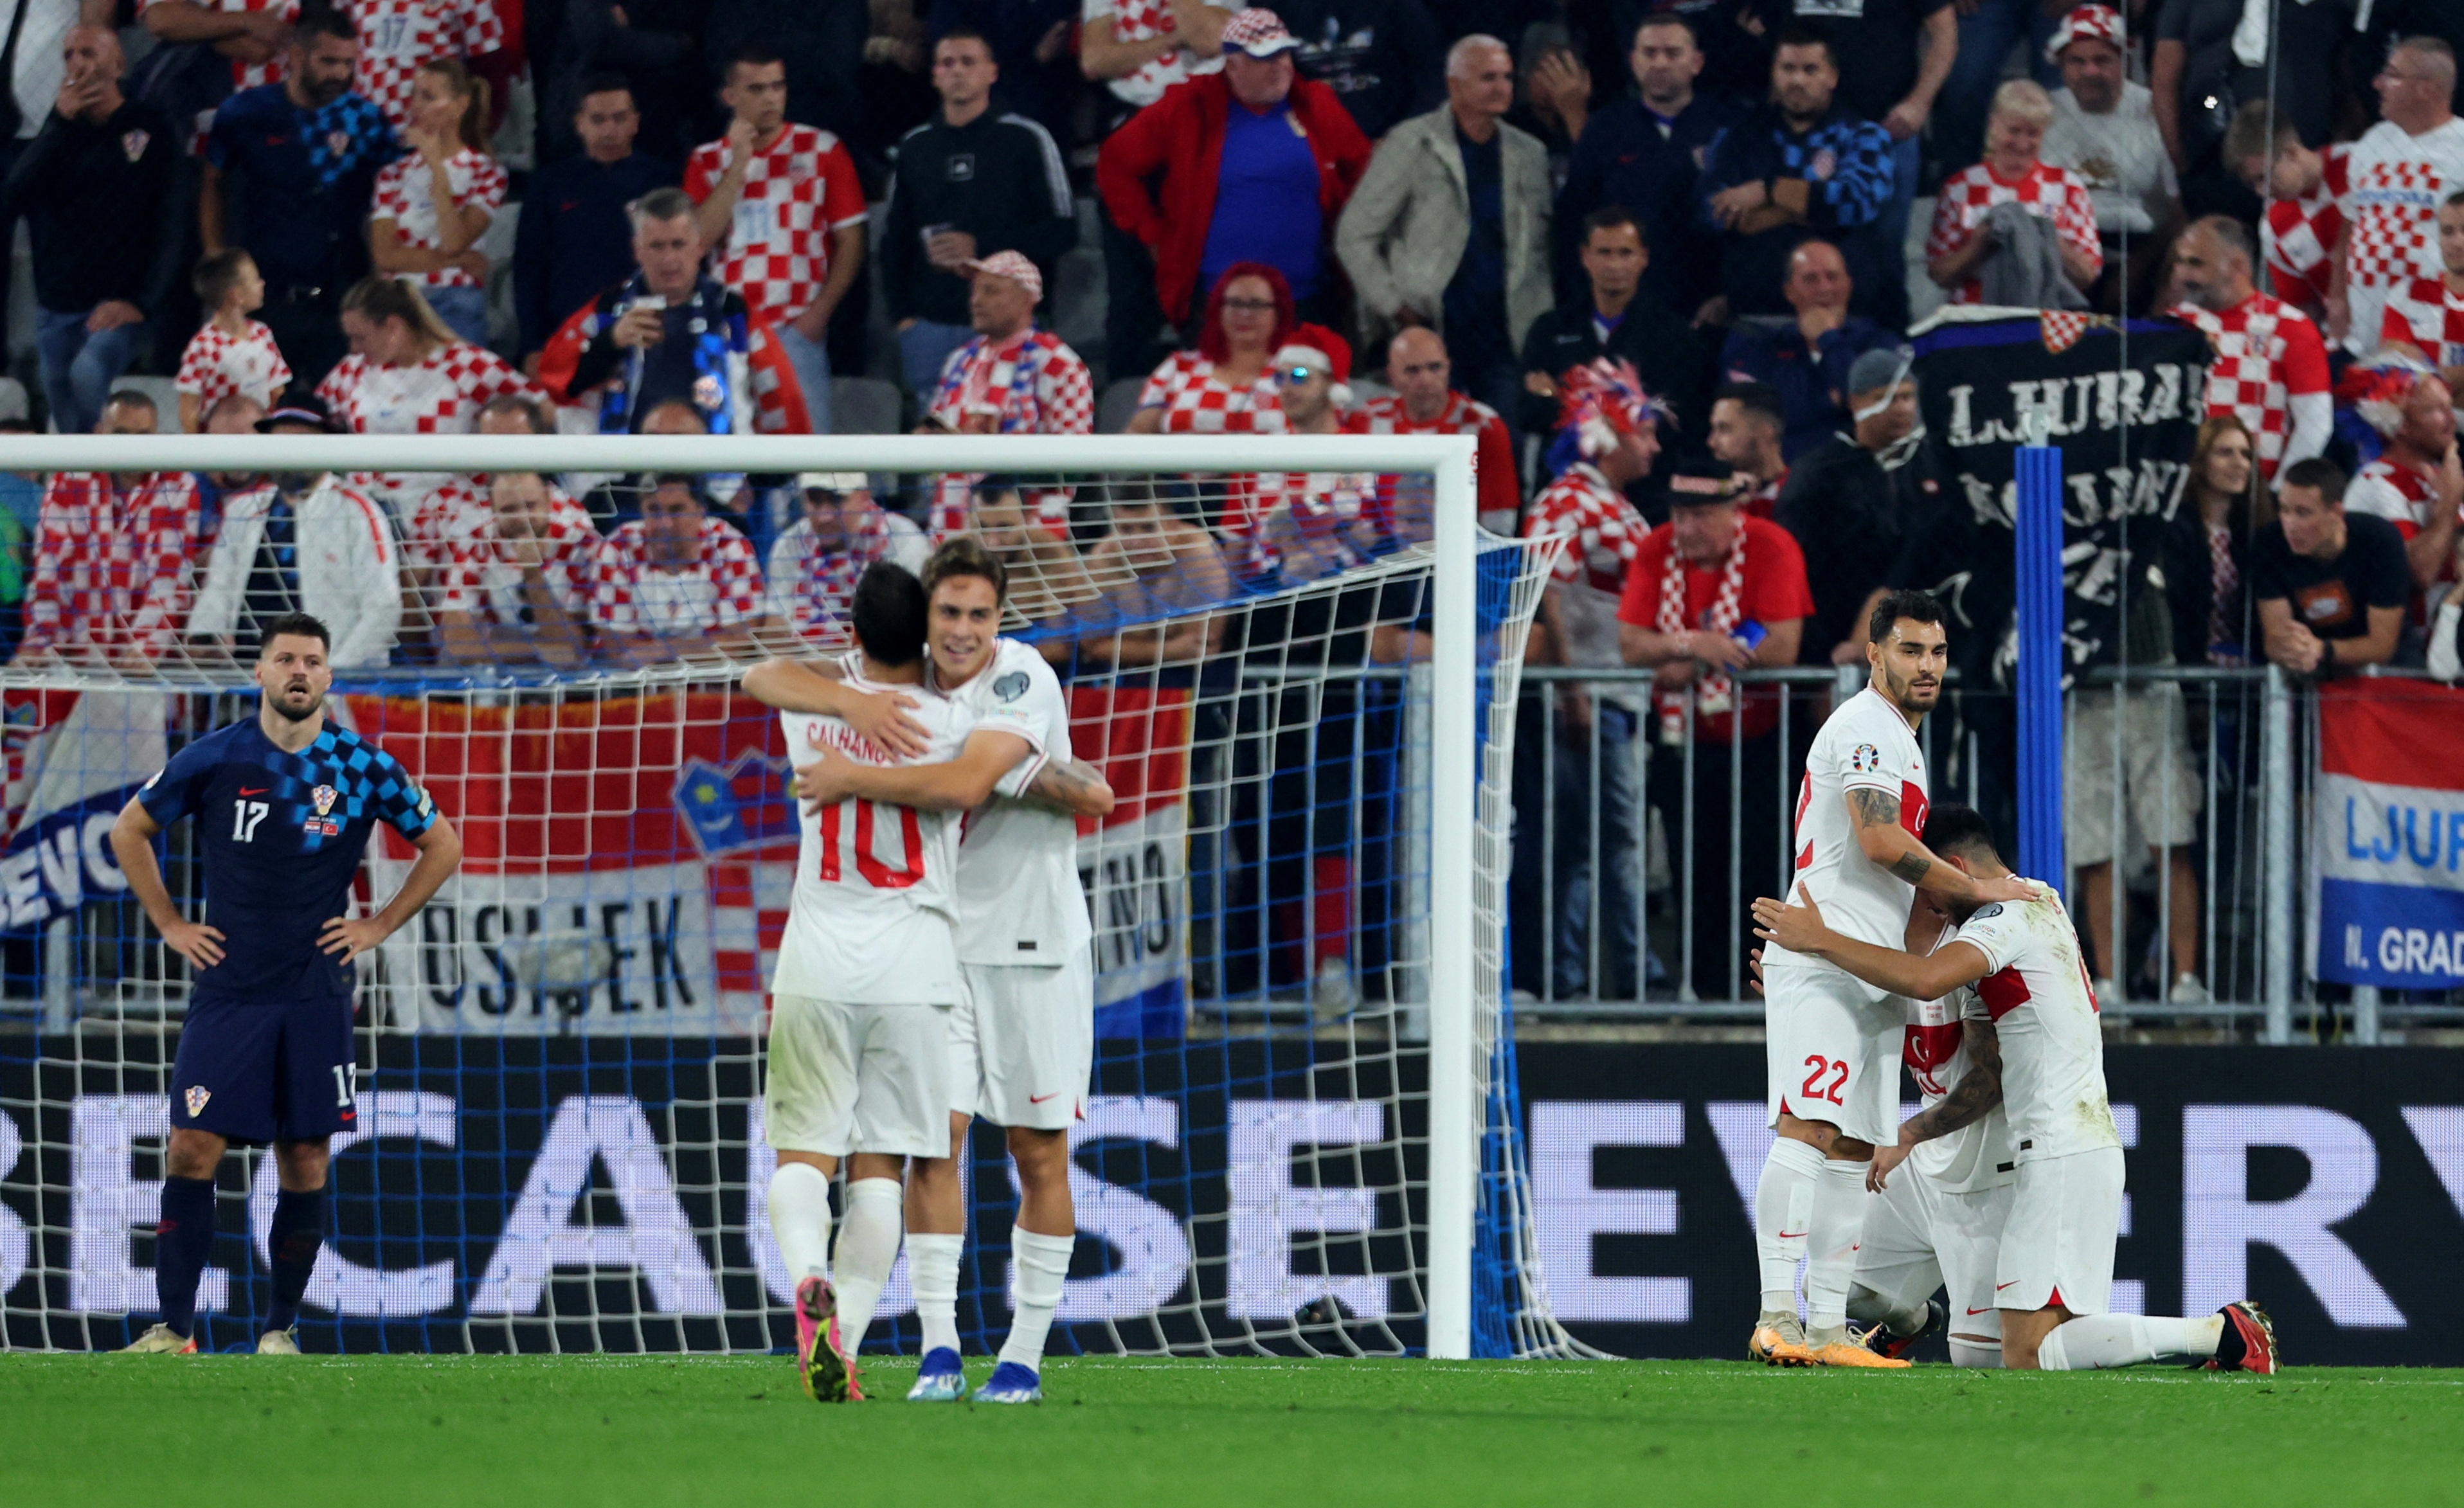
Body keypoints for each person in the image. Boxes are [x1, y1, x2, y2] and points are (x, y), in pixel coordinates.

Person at [750, 539, 1116, 1405]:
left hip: (1030, 943)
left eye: (977, 615)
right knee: (930, 1146)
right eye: (946, 613)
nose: (960, 631)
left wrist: (849, 765)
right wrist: (852, 702)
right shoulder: (905, 688)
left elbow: (967, 782)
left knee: (1036, 1150)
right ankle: (940, 1348)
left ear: (1001, 619)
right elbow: (773, 671)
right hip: (934, 947)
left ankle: (1022, 1356)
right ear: (923, 618)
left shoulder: (1021, 680)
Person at [1752, 803, 2281, 1375]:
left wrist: (1820, 942)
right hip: (2047, 1145)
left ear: (1952, 867)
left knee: (2019, 1355)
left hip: (2056, 1145)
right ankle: (2220, 1335)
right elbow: (1917, 996)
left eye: (1929, 887)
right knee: (2017, 1350)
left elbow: (1931, 988)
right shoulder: (2025, 905)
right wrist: (1819, 998)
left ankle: (2222, 1333)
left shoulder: (2006, 915)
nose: (1928, 903)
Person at [107, 611, 463, 1355]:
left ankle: (279, 1331)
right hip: (229, 990)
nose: (299, 671)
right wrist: (171, 923)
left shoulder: (362, 766)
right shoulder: (216, 757)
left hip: (316, 993)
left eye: (312, 661)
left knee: (304, 1156)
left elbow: (441, 843)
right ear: (261, 673)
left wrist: (376, 926)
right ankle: (174, 1329)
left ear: (329, 676)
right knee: (191, 1145)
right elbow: (128, 830)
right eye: (285, 659)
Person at [1742, 592, 2038, 1368]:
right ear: (1873, 654)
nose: (1927, 667)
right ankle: (1776, 1312)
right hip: (1828, 957)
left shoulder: (1900, 742)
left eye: (1937, 653)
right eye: (1910, 651)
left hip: (1864, 970)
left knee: (1850, 1147)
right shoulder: (1866, 729)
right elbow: (1877, 842)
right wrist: (1978, 889)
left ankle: (1830, 1326)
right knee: (1806, 1128)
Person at [737, 563, 973, 1403]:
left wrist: (846, 700)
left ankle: (808, 1276)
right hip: (912, 967)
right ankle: (841, 1343)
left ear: (852, 631)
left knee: (804, 1152)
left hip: (817, 961)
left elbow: (755, 672)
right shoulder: (951, 720)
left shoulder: (816, 708)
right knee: (880, 1168)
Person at [1617, 459, 1812, 1003]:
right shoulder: (1656, 549)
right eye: (1680, 514)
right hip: (1684, 743)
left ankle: (1765, 992)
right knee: (1691, 869)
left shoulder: (1771, 546)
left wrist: (1690, 655)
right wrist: (1695, 645)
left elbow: (1780, 645)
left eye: (1701, 515)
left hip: (1760, 743)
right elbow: (1632, 645)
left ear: (1733, 513)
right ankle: (1703, 991)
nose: (1686, 528)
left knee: (1761, 866)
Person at [1509, 359, 1657, 999]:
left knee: (1589, 842)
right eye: (1645, 432)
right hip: (1588, 698)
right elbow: (1547, 592)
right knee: (1600, 840)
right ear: (1611, 437)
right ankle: (1626, 974)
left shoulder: (1608, 503)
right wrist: (1569, 687)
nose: (1653, 444)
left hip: (1614, 694)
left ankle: (1575, 974)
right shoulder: (1568, 498)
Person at [1096, 8, 1374, 339]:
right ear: (1233, 64)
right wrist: (1154, 236)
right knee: (1227, 390)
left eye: (1284, 53)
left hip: (1306, 304)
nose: (1280, 66)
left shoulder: (1315, 103)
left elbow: (1365, 174)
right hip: (1216, 310)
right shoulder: (1189, 107)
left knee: (1302, 384)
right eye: (1264, 58)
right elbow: (1114, 162)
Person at [1831, 870, 2014, 1367]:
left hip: (1986, 1172)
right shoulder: (1880, 952)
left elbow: (1991, 1079)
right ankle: (1911, 1322)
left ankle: (2211, 1335)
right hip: (1927, 1164)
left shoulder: (1967, 952)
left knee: (1980, 1359)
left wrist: (1906, 1134)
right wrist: (1801, 1006)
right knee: (1832, 1288)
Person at [1333, 34, 1551, 419]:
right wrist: (1396, 309)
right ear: (1454, 85)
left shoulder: (1530, 153)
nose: (1501, 88)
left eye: (1507, 77)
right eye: (1488, 78)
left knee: (1503, 449)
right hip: (1430, 333)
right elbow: (1354, 235)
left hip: (1507, 335)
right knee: (1422, 451)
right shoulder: (1411, 143)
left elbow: (1541, 247)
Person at [879, 30, 1076, 408]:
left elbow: (1063, 230)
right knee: (938, 452)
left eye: (969, 62)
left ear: (992, 72)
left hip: (1010, 323)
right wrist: (903, 318)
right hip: (930, 325)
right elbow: (894, 242)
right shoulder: (915, 147)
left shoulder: (1027, 138)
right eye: (947, 63)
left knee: (1013, 440)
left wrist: (982, 247)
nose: (957, 71)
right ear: (934, 75)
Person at [201, 11, 396, 389]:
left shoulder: (368, 121)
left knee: (342, 421)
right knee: (260, 419)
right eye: (328, 61)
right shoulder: (244, 113)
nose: (340, 73)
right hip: (265, 298)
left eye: (348, 63)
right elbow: (212, 184)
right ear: (294, 58)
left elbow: (385, 205)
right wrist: (215, 260)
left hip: (342, 301)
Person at [686, 47, 870, 435]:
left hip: (794, 326)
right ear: (730, 96)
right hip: (727, 328)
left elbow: (851, 243)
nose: (770, 98)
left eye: (777, 86)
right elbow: (697, 242)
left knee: (807, 457)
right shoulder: (706, 160)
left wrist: (819, 314)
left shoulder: (822, 149)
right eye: (756, 89)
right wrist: (738, 164)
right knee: (726, 450)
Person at [8, 24, 177, 438]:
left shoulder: (150, 127)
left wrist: (141, 301)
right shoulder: (58, 134)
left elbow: (171, 223)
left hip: (118, 304)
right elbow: (12, 195)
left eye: (88, 52)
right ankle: (86, 487)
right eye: (68, 56)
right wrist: (57, 123)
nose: (77, 63)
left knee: (87, 374)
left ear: (119, 63)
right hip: (58, 305)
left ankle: (97, 476)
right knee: (63, 408)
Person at [538, 186, 814, 437]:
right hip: (624, 476)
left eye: (678, 245)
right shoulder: (607, 309)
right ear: (637, 250)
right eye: (657, 246)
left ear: (698, 247)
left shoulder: (732, 310)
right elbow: (555, 382)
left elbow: (781, 399)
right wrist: (610, 343)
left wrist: (775, 479)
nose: (669, 259)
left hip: (717, 480)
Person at [1696, 30, 1898, 330]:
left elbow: (1856, 204)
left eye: (1810, 70)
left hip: (1846, 319)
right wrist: (1814, 208)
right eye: (1788, 69)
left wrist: (1766, 191)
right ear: (1774, 74)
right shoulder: (1737, 138)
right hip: (1756, 315)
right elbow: (1715, 211)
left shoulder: (1866, 136)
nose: (1798, 81)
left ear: (1832, 76)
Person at [1081, 0, 1237, 384]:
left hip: (1204, 127)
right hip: (1130, 131)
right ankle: (1127, 407)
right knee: (1129, 291)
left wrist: (1143, 47)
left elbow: (1213, 41)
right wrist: (1172, 40)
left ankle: (1215, 393)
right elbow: (1096, 60)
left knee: (1205, 279)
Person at [1552, 13, 1741, 328]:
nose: (1660, 63)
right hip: (1625, 311)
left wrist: (1730, 294)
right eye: (1650, 53)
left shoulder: (1731, 127)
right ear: (1633, 61)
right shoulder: (1604, 129)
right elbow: (1574, 220)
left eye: (1672, 53)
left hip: (1709, 310)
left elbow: (1747, 225)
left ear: (1697, 62)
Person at [188, 400, 403, 669]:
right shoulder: (243, 509)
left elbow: (383, 607)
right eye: (279, 445)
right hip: (248, 677)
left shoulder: (357, 512)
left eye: (300, 443)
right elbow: (219, 588)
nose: (288, 455)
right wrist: (206, 637)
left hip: (335, 684)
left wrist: (332, 671)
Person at [14, 390, 205, 669]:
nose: (131, 446)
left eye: (142, 436)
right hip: (74, 655)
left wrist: (146, 648)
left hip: (153, 664)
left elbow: (169, 578)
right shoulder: (69, 481)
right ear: (100, 433)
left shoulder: (178, 486)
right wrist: (40, 641)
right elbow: (49, 571)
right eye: (121, 433)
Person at [1775, 348, 1941, 667]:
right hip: (1832, 633)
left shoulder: (1931, 465)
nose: (1902, 409)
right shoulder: (1820, 473)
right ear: (1855, 403)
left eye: (1908, 397)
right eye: (1886, 398)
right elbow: (1792, 561)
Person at [1517, 206, 1706, 482]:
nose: (1614, 265)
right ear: (1585, 257)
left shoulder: (1675, 335)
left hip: (1647, 491)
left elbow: (1677, 421)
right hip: (1565, 486)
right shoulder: (1549, 329)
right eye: (1604, 252)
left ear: (1644, 258)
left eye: (1625, 253)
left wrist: (1566, 399)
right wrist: (1623, 407)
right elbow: (1528, 414)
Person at [1798, 0, 1956, 323]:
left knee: (1883, 258)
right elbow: (1763, 27)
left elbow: (1945, 31)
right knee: (1805, 255)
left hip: (1887, 131)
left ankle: (1892, 353)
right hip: (1804, 135)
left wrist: (1919, 103)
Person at [918, 251, 1095, 538]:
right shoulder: (960, 360)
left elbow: (1075, 463)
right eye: (975, 291)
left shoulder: (1058, 363)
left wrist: (992, 455)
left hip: (1031, 534)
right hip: (952, 530)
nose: (976, 301)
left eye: (991, 291)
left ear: (1027, 299)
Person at [513, 76, 680, 377]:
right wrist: (532, 344)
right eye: (598, 119)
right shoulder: (549, 185)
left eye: (619, 118)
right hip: (568, 328)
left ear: (635, 122)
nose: (609, 129)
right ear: (579, 123)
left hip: (645, 322)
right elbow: (529, 269)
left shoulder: (663, 181)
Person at [2170, 215, 2332, 485]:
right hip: (2185, 490)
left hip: (2256, 495)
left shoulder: (2291, 327)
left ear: (2237, 266)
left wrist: (2279, 493)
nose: (2181, 274)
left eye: (2195, 263)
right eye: (2180, 262)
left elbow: (2315, 424)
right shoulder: (2174, 324)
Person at [2039, 6, 2181, 314]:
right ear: (2061, 65)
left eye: (2102, 60)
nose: (2090, 71)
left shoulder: (2154, 110)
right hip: (2059, 254)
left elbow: (2180, 208)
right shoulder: (2042, 113)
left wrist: (2138, 267)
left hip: (2142, 250)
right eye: (2078, 61)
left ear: (2124, 62)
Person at [2332, 37, 2464, 356]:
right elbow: (2349, 226)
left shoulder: (2460, 147)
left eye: (2392, 75)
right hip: (2366, 328)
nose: (2378, 84)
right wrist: (2337, 298)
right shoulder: (2372, 143)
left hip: (2436, 330)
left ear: (2426, 90)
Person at [1924, 80, 2101, 308]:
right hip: (1976, 316)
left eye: (2033, 133)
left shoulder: (2068, 187)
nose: (2022, 143)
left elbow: (2088, 275)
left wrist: (2043, 238)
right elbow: (1938, 274)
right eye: (2014, 131)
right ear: (1993, 125)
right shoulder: (1960, 188)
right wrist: (1979, 246)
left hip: (2045, 317)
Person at [1718, 238, 1894, 463]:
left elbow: (1882, 411)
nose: (1824, 288)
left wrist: (1828, 340)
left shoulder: (1879, 342)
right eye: (1811, 279)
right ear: (1789, 291)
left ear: (1849, 285)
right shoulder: (1758, 345)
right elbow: (1746, 421)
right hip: (1781, 475)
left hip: (1859, 474)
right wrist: (1834, 402)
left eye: (1832, 277)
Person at [366, 58, 503, 346]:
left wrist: (436, 168)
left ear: (460, 105)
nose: (415, 106)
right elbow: (385, 256)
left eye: (428, 97)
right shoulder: (392, 175)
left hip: (456, 303)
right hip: (401, 302)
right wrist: (460, 260)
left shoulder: (486, 172)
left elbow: (454, 240)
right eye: (414, 94)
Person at [591, 475, 778, 662]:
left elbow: (741, 643)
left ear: (700, 511)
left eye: (676, 511)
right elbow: (619, 650)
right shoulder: (618, 550)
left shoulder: (728, 547)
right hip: (642, 682)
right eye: (654, 510)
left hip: (715, 680)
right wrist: (701, 648)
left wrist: (666, 650)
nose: (665, 524)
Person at [2251, 458, 2409, 677]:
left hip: (2386, 671)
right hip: (2307, 669)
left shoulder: (2379, 540)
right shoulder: (2269, 543)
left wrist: (2322, 650)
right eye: (2284, 510)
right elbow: (2276, 639)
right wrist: (2295, 650)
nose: (2290, 525)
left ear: (2336, 513)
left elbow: (2382, 646)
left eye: (2303, 513)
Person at [431, 471, 601, 669]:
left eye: (530, 506)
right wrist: (540, 650)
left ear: (548, 500)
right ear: (493, 509)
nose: (522, 518)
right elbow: (458, 642)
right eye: (509, 510)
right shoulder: (477, 542)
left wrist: (532, 573)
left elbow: (575, 648)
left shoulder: (581, 545)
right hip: (499, 675)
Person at [1358, 325, 1518, 532]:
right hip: (1383, 554)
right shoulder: (1368, 419)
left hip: (1463, 552)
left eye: (1435, 368)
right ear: (1392, 376)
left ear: (1449, 368)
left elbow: (1499, 520)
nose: (1425, 381)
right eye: (1412, 371)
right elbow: (1356, 504)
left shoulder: (1483, 425)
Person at [1126, 262, 1294, 458]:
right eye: (1235, 303)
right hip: (1182, 485)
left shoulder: (1296, 372)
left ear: (1279, 315)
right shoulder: (1180, 367)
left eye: (1256, 304)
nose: (1245, 314)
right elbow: (1137, 436)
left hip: (1271, 486)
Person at [1077, 479, 1236, 668]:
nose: (1136, 542)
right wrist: (1169, 649)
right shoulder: (1102, 561)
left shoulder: (1200, 556)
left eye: (1149, 528)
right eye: (1126, 530)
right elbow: (1093, 647)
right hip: (1119, 675)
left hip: (1190, 676)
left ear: (1173, 527)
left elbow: (1202, 650)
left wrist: (1126, 648)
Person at [766, 472, 931, 647]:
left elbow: (914, 625)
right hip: (807, 666)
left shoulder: (903, 538)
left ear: (864, 497)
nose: (825, 517)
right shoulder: (791, 544)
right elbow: (774, 630)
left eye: (837, 501)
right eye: (815, 501)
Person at [2344, 368, 2464, 597]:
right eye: (2435, 410)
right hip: (2412, 631)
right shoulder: (2375, 484)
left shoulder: (2442, 476)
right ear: (2401, 424)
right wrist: (2449, 503)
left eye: (2449, 407)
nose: (2452, 418)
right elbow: (2418, 573)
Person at [2225, 103, 2346, 326]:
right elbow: (2303, 309)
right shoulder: (2273, 227)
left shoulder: (2361, 167)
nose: (2261, 191)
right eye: (2253, 184)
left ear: (2290, 152)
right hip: (2347, 342)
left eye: (2264, 177)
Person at [2163, 413, 2261, 669]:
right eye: (2225, 453)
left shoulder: (2253, 531)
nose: (2240, 463)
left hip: (2245, 670)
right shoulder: (2175, 529)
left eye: (2246, 454)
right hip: (2191, 668)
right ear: (2200, 461)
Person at [176, 250, 292, 434]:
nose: (262, 284)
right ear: (236, 295)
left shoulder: (263, 335)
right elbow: (189, 409)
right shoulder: (203, 347)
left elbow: (277, 392)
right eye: (255, 280)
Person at [2379, 189, 2464, 391]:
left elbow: (2415, 378)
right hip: (2426, 417)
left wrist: (2426, 373)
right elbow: (2397, 374)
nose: (2457, 242)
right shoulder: (2408, 294)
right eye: (2448, 231)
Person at [1705, 381, 1788, 517]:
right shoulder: (1711, 494)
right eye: (1713, 429)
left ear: (1764, 433)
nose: (1712, 442)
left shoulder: (1803, 496)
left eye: (1725, 429)